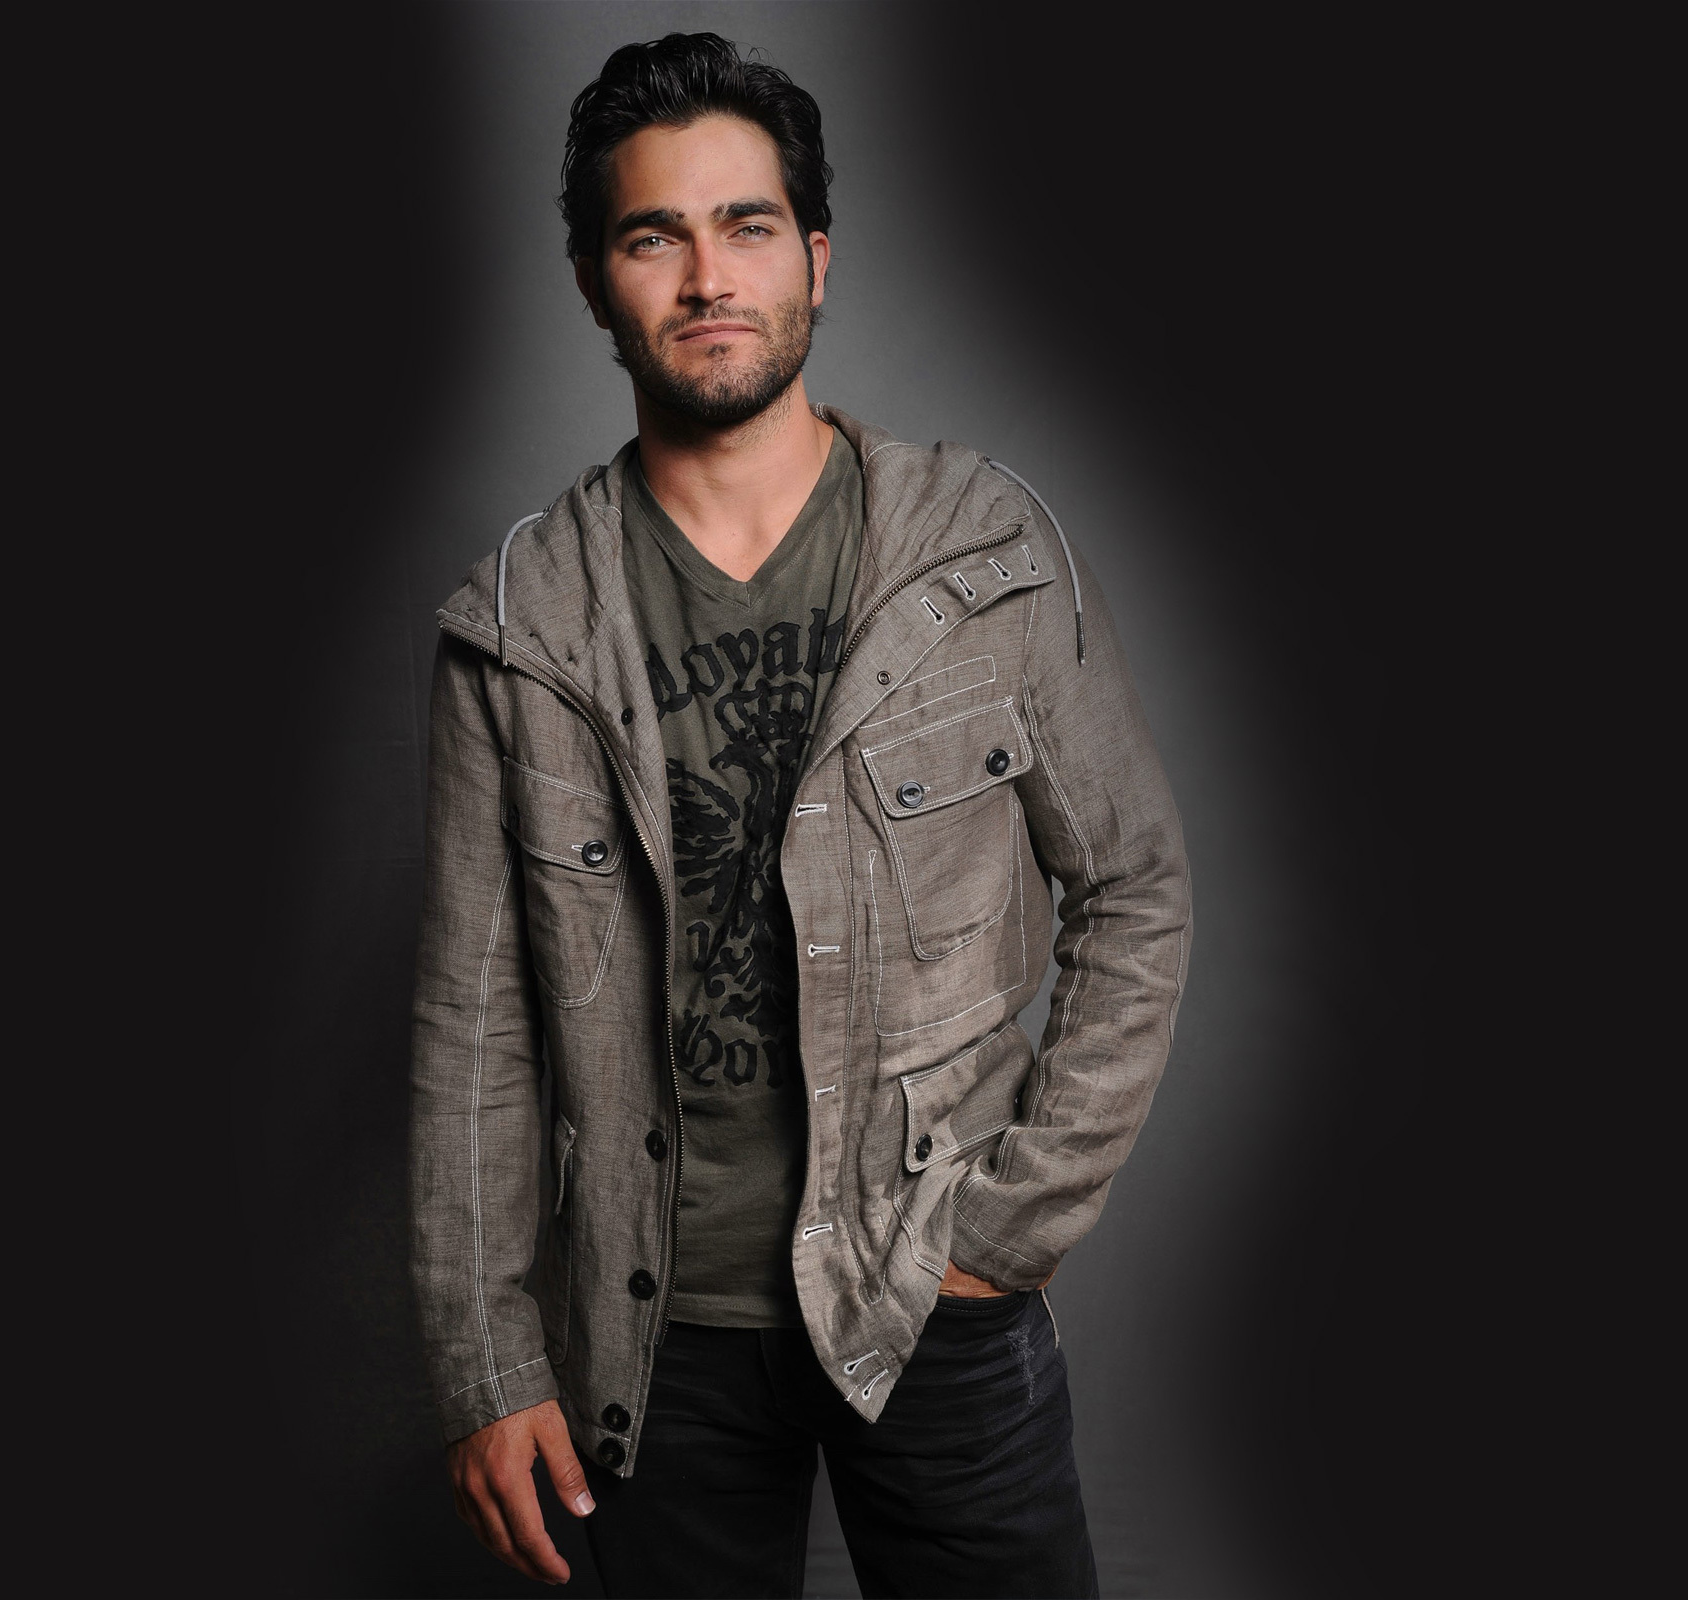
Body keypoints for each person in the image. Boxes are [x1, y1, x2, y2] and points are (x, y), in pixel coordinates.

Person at [407, 32, 1190, 1598]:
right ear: (594, 281)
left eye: (747, 225)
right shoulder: (519, 625)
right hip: (653, 1339)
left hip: (931, 1294)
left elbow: (1136, 892)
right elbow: (472, 1027)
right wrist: (485, 1362)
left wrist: (1006, 1229)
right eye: (655, 236)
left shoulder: (986, 555)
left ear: (817, 258)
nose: (709, 276)